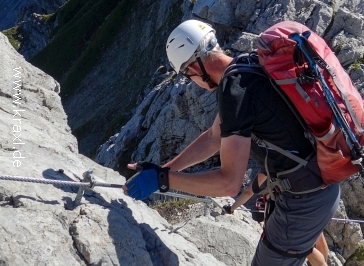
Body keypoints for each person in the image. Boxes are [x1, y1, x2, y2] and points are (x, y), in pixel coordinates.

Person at [124, 19, 340, 266]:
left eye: (187, 76)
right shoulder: (246, 66)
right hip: (318, 189)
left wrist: (162, 182)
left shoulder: (233, 90)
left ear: (194, 69)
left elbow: (229, 183)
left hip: (303, 200)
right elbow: (213, 137)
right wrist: (165, 169)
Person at [224, 173, 329, 266]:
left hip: (288, 215)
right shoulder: (304, 158)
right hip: (315, 203)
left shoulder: (273, 163)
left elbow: (249, 191)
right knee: (315, 239)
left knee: (304, 249)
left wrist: (231, 208)